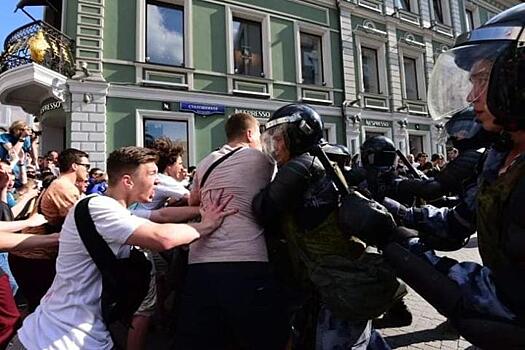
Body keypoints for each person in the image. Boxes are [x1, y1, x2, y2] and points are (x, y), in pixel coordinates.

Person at [338, 4, 525, 348]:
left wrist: (396, 243)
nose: (471, 96)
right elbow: (454, 225)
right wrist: (390, 212)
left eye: (482, 79)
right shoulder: (500, 155)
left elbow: (505, 302)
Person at [8, 146, 235, 350]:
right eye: (152, 174)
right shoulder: (100, 208)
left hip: (78, 336)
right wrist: (208, 225)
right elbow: (162, 238)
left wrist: (202, 211)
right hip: (55, 339)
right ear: (128, 181)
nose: (157, 181)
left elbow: (161, 215)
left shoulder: (111, 208)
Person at [253, 104, 393, 350]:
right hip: (336, 279)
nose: (275, 146)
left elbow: (262, 209)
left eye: (278, 138)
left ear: (297, 135)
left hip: (339, 284)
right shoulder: (319, 161)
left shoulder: (300, 166)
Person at [174, 112, 288, 350]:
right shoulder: (262, 160)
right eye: (258, 135)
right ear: (249, 134)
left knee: (209, 339)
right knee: (258, 337)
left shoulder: (205, 162)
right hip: (245, 261)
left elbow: (193, 200)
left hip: (200, 263)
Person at [8, 148, 89, 311]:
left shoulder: (60, 184)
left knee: (40, 308)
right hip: (35, 258)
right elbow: (83, 223)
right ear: (74, 166)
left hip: (33, 256)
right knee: (43, 309)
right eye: (86, 165)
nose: (88, 169)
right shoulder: (63, 187)